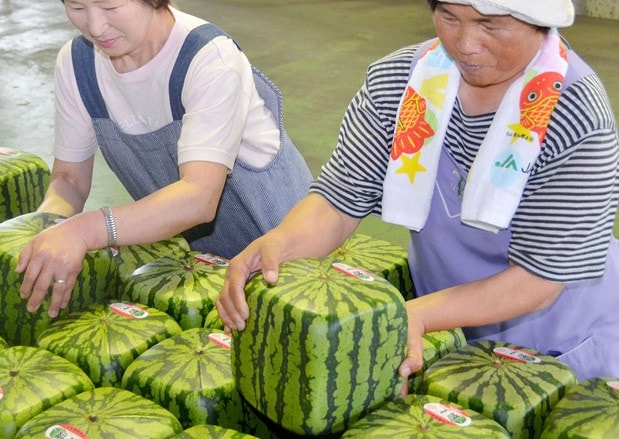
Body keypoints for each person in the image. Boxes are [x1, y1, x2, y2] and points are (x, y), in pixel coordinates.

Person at [217, 0, 619, 389]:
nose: (465, 43)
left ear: (539, 21)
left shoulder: (576, 114)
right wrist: (279, 244)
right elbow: (337, 203)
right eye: (448, 15)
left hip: (564, 343)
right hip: (455, 332)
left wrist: (419, 315)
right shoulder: (399, 84)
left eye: (490, 25)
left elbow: (537, 281)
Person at [16, 0, 313, 318]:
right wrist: (43, 231)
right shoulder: (77, 64)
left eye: (110, 7)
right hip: (198, 273)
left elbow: (199, 197)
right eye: (77, 8)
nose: (95, 26)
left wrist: (83, 230)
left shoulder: (209, 59)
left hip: (290, 270)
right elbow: (69, 181)